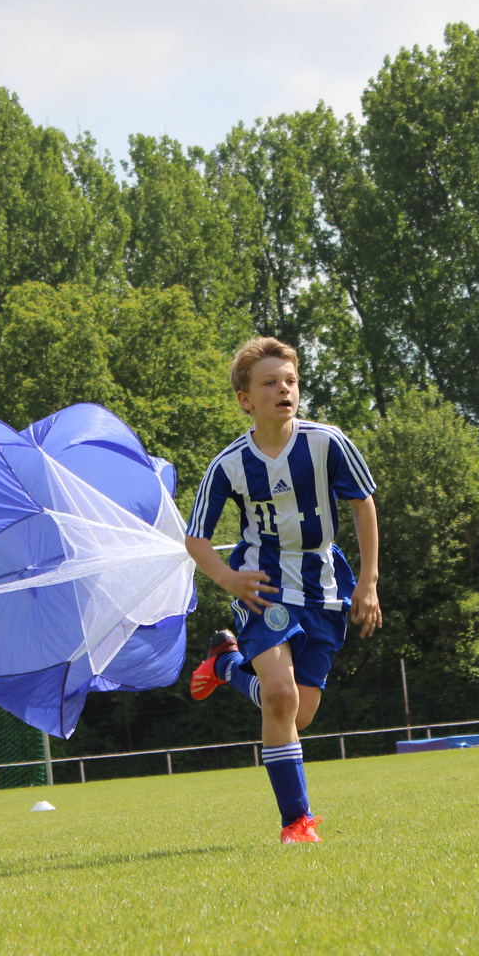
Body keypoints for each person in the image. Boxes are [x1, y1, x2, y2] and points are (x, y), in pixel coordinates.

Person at [183, 336, 381, 843]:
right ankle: (297, 823)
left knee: (300, 713)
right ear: (246, 399)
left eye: (290, 380)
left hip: (324, 588)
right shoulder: (228, 464)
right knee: (278, 695)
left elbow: (363, 506)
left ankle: (225, 665)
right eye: (269, 382)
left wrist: (369, 583)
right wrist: (227, 579)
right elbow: (196, 539)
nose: (283, 390)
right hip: (262, 586)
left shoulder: (328, 442)